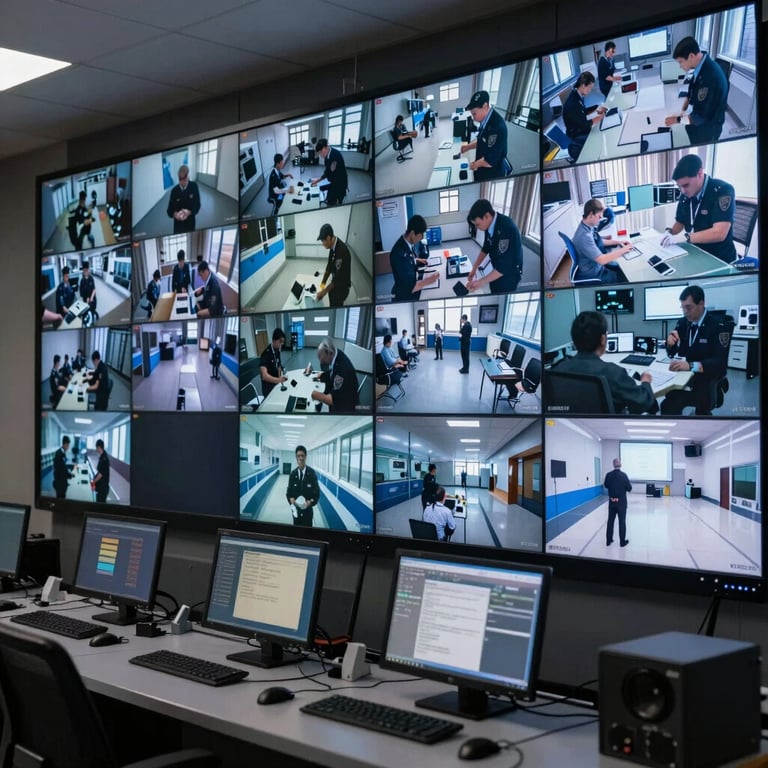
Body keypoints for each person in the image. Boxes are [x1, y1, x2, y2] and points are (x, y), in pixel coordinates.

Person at [552, 311, 658, 413]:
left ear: (574, 341)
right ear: (603, 339)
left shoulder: (558, 370)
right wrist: (646, 382)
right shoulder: (613, 373)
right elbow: (643, 402)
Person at [660, 285, 730, 415]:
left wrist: (691, 366)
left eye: (689, 307)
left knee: (668, 404)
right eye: (683, 308)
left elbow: (719, 363)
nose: (685, 312)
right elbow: (674, 353)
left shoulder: (719, 325)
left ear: (701, 303)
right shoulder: (683, 322)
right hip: (686, 375)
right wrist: (670, 344)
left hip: (706, 378)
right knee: (670, 395)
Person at [661, 154, 737, 264]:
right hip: (695, 251)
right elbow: (680, 222)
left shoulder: (722, 190)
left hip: (719, 257)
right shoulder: (686, 194)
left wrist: (686, 237)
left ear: (700, 173)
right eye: (679, 186)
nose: (683, 191)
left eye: (686, 185)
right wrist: (669, 233)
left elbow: (719, 233)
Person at [664, 36, 728, 144]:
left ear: (691, 56)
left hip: (707, 129)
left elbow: (700, 117)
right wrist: (686, 103)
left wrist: (677, 120)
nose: (680, 66)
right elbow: (694, 84)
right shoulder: (702, 64)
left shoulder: (709, 77)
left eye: (681, 62)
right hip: (699, 115)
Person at [466, 199, 523, 294]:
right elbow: (486, 247)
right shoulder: (489, 225)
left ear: (487, 216)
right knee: (493, 287)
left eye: (478, 224)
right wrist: (474, 268)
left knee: (500, 293)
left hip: (509, 274)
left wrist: (480, 282)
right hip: (497, 267)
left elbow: (503, 267)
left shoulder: (507, 228)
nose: (477, 228)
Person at [572, 199, 632, 283]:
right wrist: (624, 250)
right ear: (591, 214)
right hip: (596, 274)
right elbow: (602, 260)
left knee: (621, 268)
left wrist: (619, 242)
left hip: (597, 267)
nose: (600, 219)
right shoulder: (584, 237)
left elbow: (598, 241)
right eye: (599, 216)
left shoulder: (587, 226)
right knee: (627, 277)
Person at [459, 90, 511, 180]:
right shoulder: (486, 120)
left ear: (485, 106)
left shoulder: (496, 127)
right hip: (482, 167)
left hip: (492, 174)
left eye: (474, 113)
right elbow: (483, 140)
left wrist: (474, 165)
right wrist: (468, 147)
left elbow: (489, 161)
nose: (473, 117)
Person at [389, 214, 439, 301]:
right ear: (412, 233)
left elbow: (408, 258)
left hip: (410, 283)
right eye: (421, 234)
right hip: (404, 295)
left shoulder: (406, 242)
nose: (422, 237)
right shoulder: (399, 255)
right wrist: (429, 280)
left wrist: (418, 259)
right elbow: (410, 288)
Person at [563, 72, 606, 162]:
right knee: (598, 135)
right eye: (589, 87)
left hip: (578, 126)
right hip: (575, 135)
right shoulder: (573, 103)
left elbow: (582, 111)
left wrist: (595, 111)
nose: (590, 90)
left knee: (599, 128)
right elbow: (585, 124)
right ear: (583, 85)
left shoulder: (577, 94)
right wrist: (600, 117)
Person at [311, 338, 359, 413]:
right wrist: (323, 375)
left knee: (316, 401)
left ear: (330, 353)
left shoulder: (342, 370)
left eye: (322, 358)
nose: (320, 361)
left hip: (345, 406)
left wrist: (316, 395)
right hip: (345, 393)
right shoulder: (337, 354)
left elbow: (334, 400)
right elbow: (333, 371)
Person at [315, 224, 351, 307]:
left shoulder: (341, 251)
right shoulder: (332, 246)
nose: (322, 244)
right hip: (335, 283)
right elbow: (329, 266)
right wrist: (322, 285)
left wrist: (323, 292)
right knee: (330, 296)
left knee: (335, 304)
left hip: (342, 287)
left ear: (328, 238)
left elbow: (337, 279)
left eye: (322, 241)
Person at [286, 445, 320, 527]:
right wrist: (290, 499)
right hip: (296, 513)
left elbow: (317, 494)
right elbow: (288, 493)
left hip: (307, 513)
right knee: (296, 534)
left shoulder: (312, 474)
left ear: (305, 457)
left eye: (302, 456)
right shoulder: (293, 474)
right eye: (298, 456)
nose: (301, 458)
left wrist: (310, 502)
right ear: (296, 458)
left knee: (307, 535)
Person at [310, 138, 348, 206]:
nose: (321, 155)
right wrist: (318, 180)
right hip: (333, 181)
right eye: (319, 153)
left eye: (321, 152)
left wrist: (319, 180)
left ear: (326, 147)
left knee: (330, 201)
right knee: (319, 188)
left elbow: (330, 171)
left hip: (339, 184)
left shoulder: (335, 155)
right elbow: (327, 172)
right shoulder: (327, 156)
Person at [604, 457, 631, 547]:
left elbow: (606, 485)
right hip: (622, 503)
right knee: (622, 522)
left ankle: (608, 540)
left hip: (612, 503)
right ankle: (622, 542)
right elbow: (629, 488)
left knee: (610, 521)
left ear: (613, 465)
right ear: (620, 464)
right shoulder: (624, 475)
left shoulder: (608, 475)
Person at [166, 165, 200, 233]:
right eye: (180, 180)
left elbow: (197, 205)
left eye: (184, 179)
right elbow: (169, 211)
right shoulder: (174, 191)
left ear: (188, 176)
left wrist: (189, 212)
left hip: (190, 224)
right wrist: (175, 215)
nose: (182, 182)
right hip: (178, 225)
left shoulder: (194, 186)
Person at [259, 328, 287, 397]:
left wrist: (280, 376)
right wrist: (278, 380)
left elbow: (279, 366)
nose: (282, 344)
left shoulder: (277, 350)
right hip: (268, 387)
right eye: (280, 341)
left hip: (276, 383)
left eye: (283, 342)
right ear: (274, 340)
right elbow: (264, 376)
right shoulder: (265, 354)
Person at [92, 439, 110, 503]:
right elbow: (99, 472)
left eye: (96, 447)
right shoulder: (102, 457)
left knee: (100, 506)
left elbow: (100, 475)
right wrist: (93, 479)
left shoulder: (104, 459)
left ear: (99, 447)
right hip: (101, 487)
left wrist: (93, 482)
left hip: (103, 489)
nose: (96, 449)